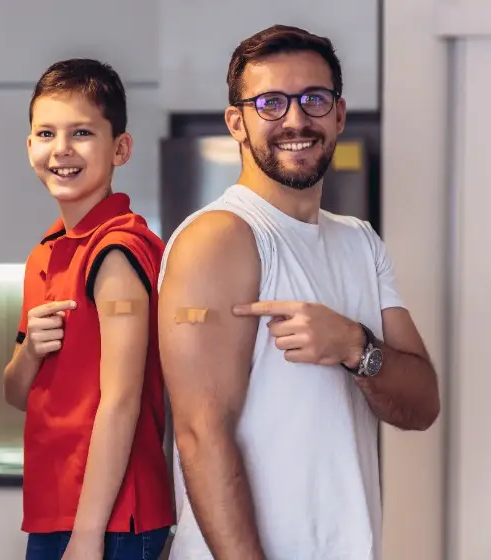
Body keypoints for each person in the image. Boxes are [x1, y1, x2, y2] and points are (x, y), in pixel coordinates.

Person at [157, 25, 441, 560]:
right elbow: (201, 436)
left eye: (313, 99)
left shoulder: (359, 242)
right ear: (236, 123)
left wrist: (357, 347)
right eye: (271, 103)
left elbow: (422, 403)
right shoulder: (219, 237)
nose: (295, 119)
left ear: (338, 114)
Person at [3, 58, 174, 560]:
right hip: (57, 508)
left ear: (120, 147)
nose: (61, 150)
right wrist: (30, 351)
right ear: (29, 145)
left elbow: (121, 400)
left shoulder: (117, 250)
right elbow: (18, 394)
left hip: (113, 518)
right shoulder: (47, 251)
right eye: (46, 133)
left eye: (82, 132)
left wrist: (88, 533)